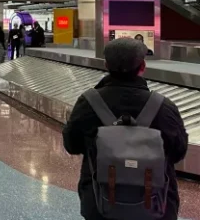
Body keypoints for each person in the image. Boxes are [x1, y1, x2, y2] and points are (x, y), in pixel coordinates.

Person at [62, 38, 188, 220]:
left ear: (106, 64)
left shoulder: (88, 103)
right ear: (142, 66)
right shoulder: (163, 107)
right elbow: (178, 152)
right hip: (156, 205)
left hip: (101, 204)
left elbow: (71, 145)